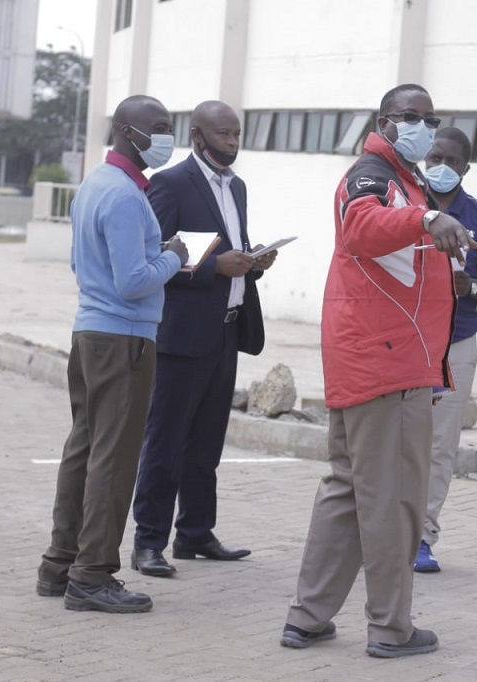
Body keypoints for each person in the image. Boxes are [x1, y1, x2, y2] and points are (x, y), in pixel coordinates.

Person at [279, 84, 476, 658]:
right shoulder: (373, 175)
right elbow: (362, 228)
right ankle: (391, 627)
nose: (422, 125)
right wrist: (427, 218)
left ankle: (308, 617)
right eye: (411, 117)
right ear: (385, 122)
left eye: (430, 117)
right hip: (385, 364)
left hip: (378, 358)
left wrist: (434, 236)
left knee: (348, 491)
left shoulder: (404, 179)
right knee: (392, 498)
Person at [36, 95, 188, 614]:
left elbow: (86, 267)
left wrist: (155, 256)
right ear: (128, 131)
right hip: (123, 338)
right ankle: (92, 576)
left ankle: (60, 564)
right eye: (160, 127)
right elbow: (132, 283)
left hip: (91, 333)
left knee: (83, 449)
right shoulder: (124, 195)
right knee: (113, 459)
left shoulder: (94, 186)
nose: (168, 137)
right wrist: (173, 256)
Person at [129, 100, 277, 578]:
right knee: (166, 441)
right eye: (224, 134)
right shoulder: (169, 184)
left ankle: (195, 533)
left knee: (207, 441)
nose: (232, 143)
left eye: (237, 134)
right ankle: (149, 541)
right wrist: (217, 266)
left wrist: (253, 261)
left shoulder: (239, 188)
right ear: (198, 136)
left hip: (226, 329)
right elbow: (156, 257)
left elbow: (230, 247)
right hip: (181, 337)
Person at [414, 127, 477, 573]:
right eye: (436, 157)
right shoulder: (406, 205)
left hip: (456, 344)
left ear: (466, 168)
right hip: (407, 342)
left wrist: (469, 286)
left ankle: (421, 536)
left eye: (452, 161)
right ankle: (381, 532)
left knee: (439, 444)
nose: (442, 167)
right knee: (394, 440)